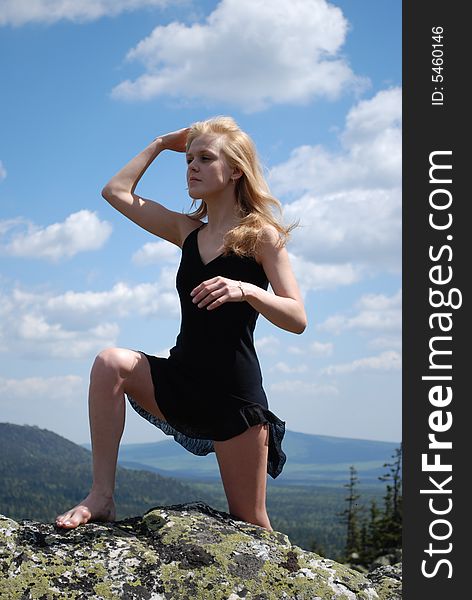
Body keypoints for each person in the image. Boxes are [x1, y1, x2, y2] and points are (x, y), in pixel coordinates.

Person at [55, 116, 307, 532]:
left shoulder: (262, 236)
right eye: (188, 158)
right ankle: (101, 496)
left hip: (233, 397)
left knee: (252, 523)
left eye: (205, 158)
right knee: (109, 363)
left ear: (236, 170)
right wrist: (158, 143)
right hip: (181, 379)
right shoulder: (186, 230)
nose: (191, 166)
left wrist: (248, 290)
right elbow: (115, 192)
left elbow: (297, 318)